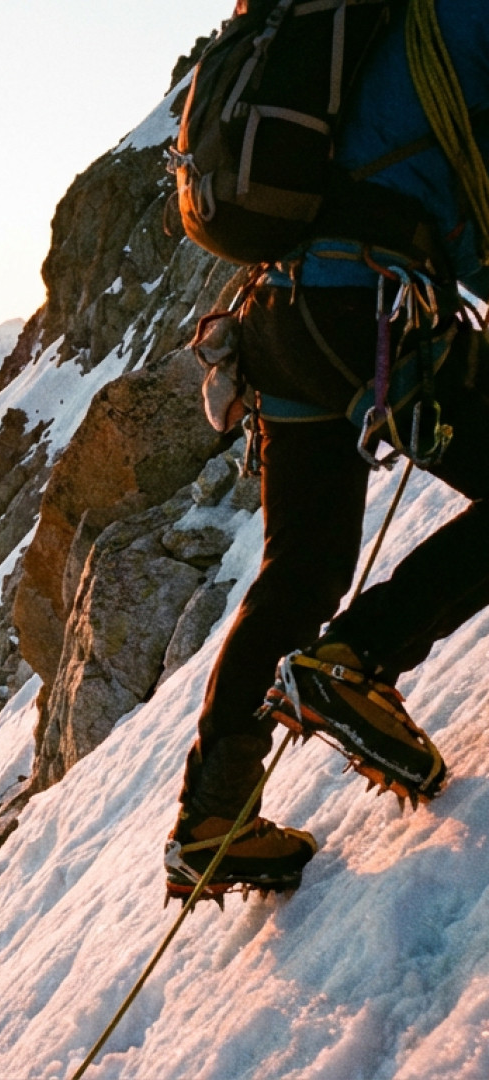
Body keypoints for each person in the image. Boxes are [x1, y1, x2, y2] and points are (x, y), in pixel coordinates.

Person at [165, 0, 489, 902]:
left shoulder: (344, 31)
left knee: (300, 570)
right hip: (370, 306)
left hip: (279, 316)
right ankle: (358, 657)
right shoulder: (460, 19)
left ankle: (210, 818)